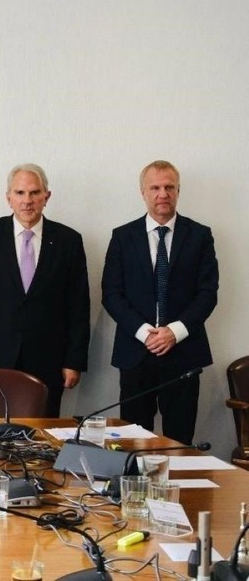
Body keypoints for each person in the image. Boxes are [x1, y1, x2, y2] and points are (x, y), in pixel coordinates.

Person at [102, 160, 218, 444]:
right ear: (143, 192)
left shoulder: (200, 235)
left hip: (183, 352)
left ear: (178, 190)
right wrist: (146, 333)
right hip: (136, 352)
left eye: (169, 187)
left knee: (179, 442)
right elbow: (111, 294)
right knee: (132, 441)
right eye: (155, 188)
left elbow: (207, 293)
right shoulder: (122, 236)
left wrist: (174, 332)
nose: (162, 194)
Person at [0, 163, 90, 418]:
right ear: (8, 198)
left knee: (44, 430)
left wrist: (73, 361)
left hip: (49, 357)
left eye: (34, 192)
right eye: (20, 193)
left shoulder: (68, 240)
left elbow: (78, 305)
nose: (27, 200)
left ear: (47, 196)